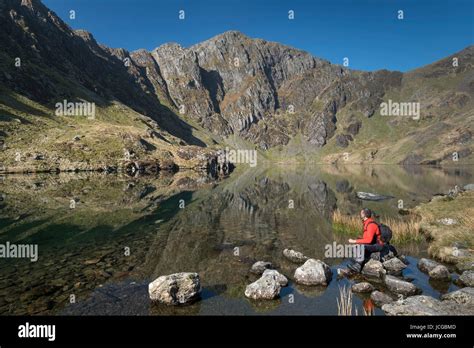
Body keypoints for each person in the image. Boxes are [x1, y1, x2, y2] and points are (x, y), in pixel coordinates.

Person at [346, 208, 384, 273]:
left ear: (364, 214)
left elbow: (369, 240)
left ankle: (358, 266)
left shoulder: (371, 224)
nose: (360, 214)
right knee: (356, 245)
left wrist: (354, 241)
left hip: (378, 245)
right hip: (373, 244)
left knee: (359, 246)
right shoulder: (367, 222)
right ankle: (359, 260)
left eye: (361, 213)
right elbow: (366, 238)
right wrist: (358, 240)